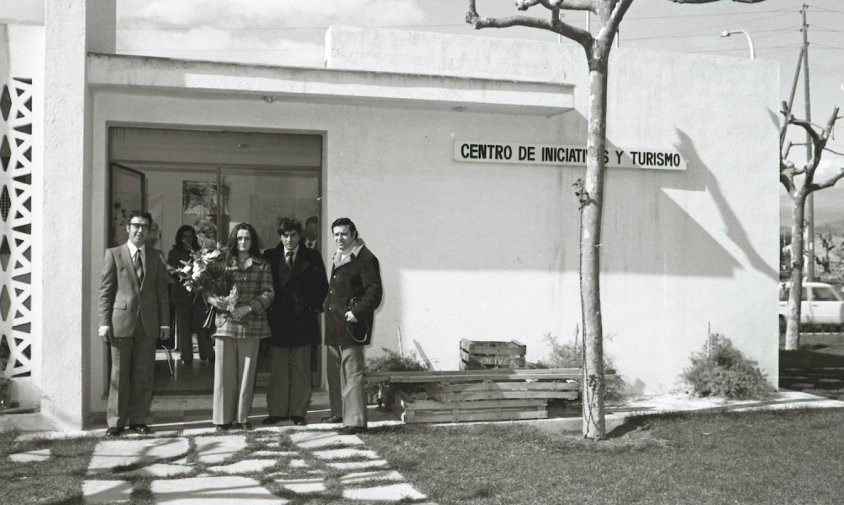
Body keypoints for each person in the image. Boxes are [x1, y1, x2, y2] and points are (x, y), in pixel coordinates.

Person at [98, 211, 170, 437]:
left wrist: (165, 323)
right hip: (120, 322)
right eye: (136, 226)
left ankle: (138, 420)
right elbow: (106, 291)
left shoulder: (156, 255)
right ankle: (115, 423)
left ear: (150, 231)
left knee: (143, 374)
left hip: (148, 324)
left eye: (145, 227)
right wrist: (103, 322)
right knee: (119, 374)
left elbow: (162, 293)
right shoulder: (114, 254)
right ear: (127, 227)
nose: (141, 230)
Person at [207, 223, 274, 431]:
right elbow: (206, 287)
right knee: (224, 374)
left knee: (246, 374)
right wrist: (213, 300)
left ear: (253, 241)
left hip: (251, 324)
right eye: (239, 238)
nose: (243, 242)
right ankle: (222, 419)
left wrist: (249, 308)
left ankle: (242, 418)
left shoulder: (262, 265)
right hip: (225, 324)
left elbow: (268, 293)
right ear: (234, 240)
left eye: (247, 238)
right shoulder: (221, 262)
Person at [262, 218, 328, 426]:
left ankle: (298, 413)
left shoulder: (312, 256)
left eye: (292, 235)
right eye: (285, 235)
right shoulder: (270, 256)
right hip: (277, 321)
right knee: (278, 369)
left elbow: (322, 287)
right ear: (280, 236)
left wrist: (309, 306)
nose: (288, 239)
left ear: (300, 236)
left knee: (301, 369)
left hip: (302, 320)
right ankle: (277, 412)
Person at [323, 217, 382, 435]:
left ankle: (355, 421)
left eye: (343, 234)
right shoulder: (340, 256)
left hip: (350, 325)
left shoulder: (365, 258)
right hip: (334, 324)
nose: (339, 238)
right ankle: (340, 414)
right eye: (336, 234)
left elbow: (374, 292)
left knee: (352, 374)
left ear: (353, 234)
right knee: (336, 372)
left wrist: (356, 313)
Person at [167, 225, 214, 364]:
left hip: (198, 295)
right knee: (184, 327)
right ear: (180, 238)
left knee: (202, 326)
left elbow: (206, 271)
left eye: (190, 236)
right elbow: (170, 271)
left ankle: (207, 353)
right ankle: (186, 356)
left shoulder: (199, 252)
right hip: (181, 296)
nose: (188, 239)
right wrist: (184, 273)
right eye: (185, 236)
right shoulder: (174, 253)